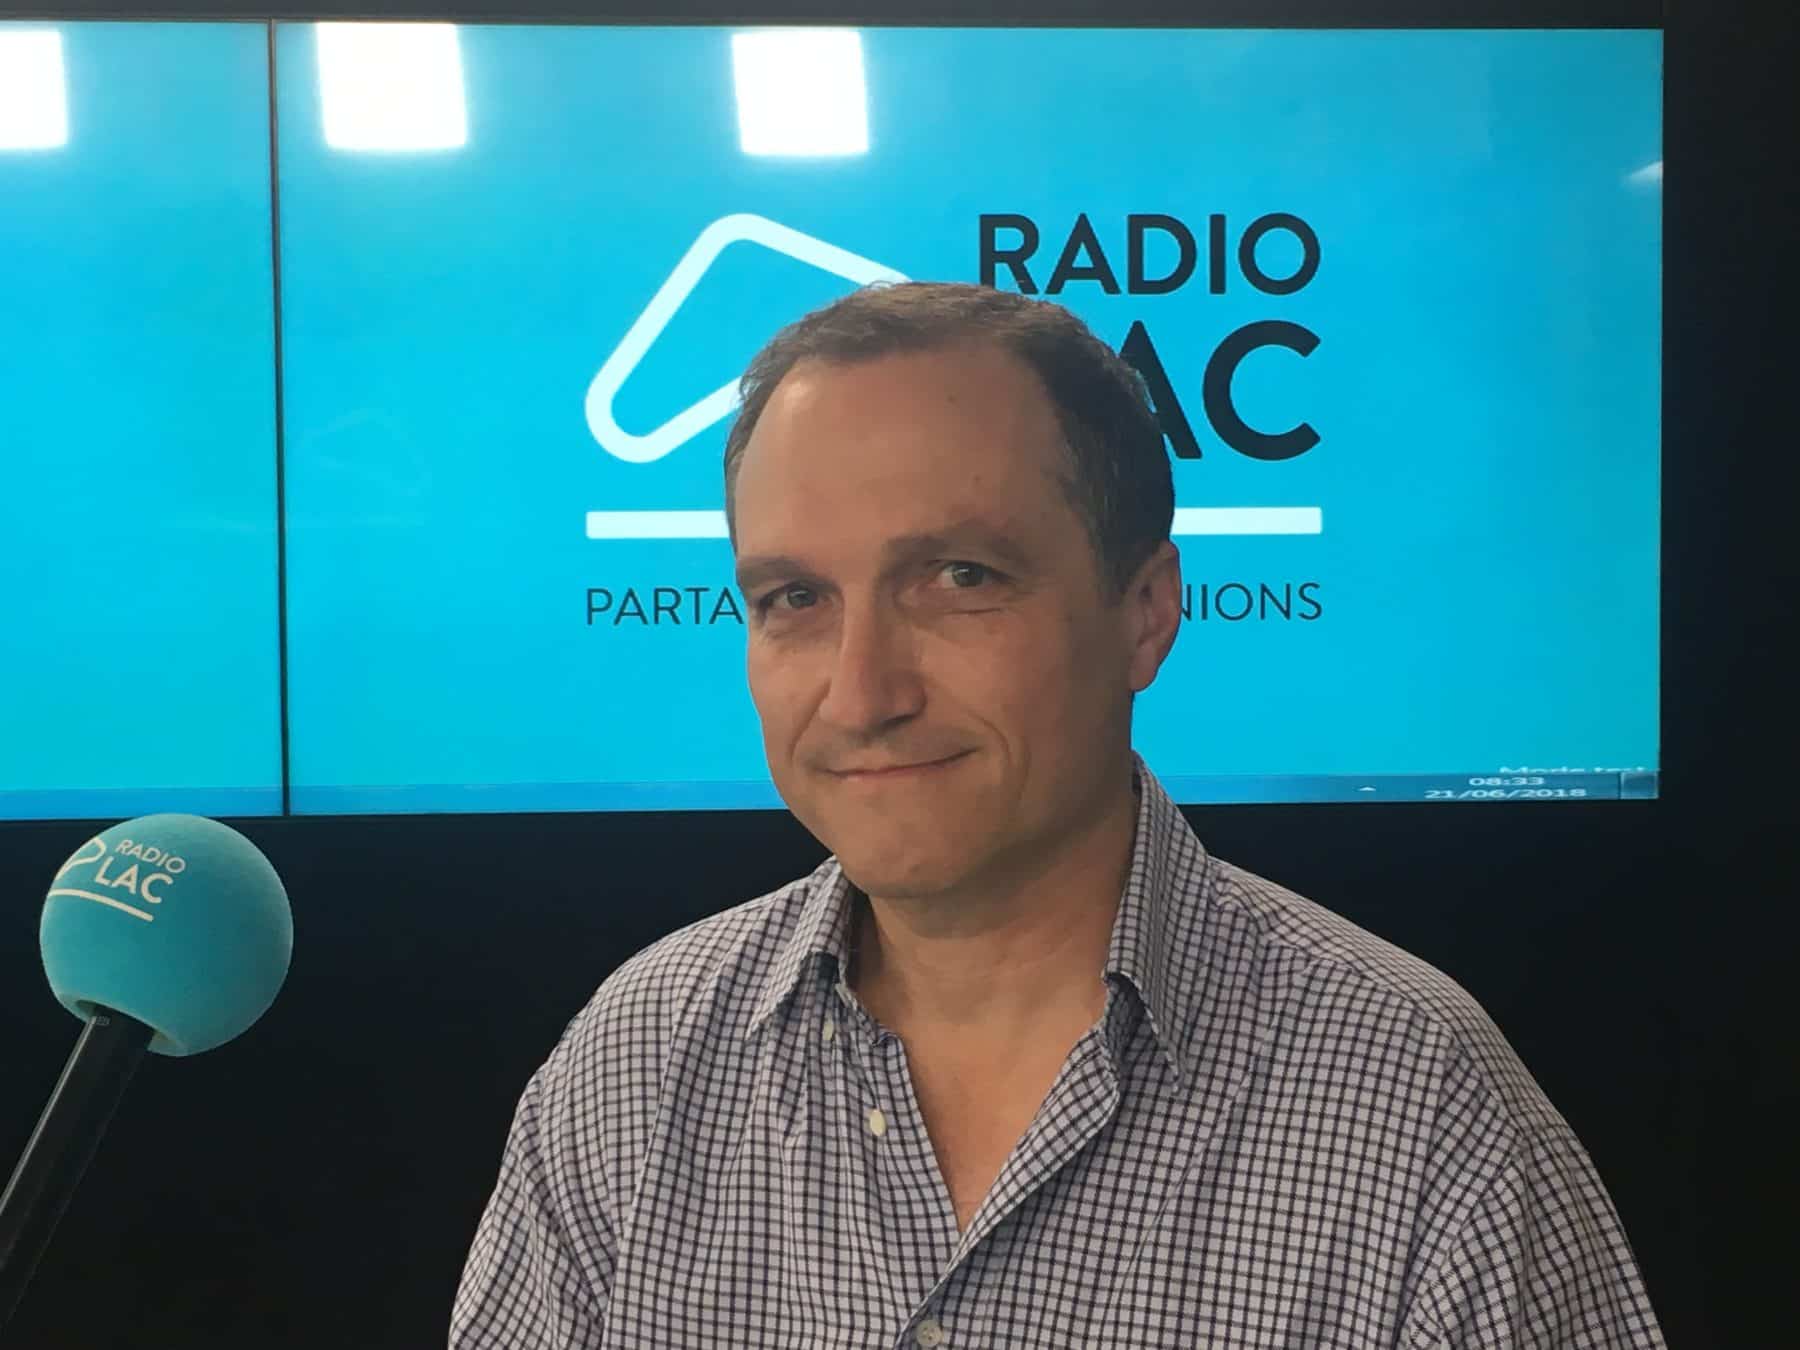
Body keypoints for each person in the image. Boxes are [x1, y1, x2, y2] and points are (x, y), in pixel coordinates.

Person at [450, 282, 1666, 1347]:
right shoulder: (635, 1068)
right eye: (795, 599)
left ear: (1145, 612)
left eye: (959, 578)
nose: (862, 695)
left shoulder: (1420, 1112)